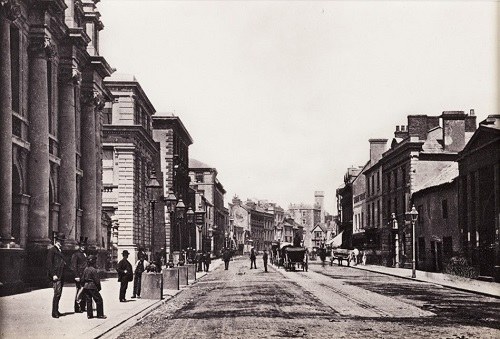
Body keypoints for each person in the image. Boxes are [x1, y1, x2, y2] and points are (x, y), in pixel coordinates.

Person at [47, 232, 67, 318]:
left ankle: (56, 310)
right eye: (60, 241)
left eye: (62, 241)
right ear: (57, 241)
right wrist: (53, 274)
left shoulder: (60, 250)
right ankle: (54, 312)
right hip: (56, 275)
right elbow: (49, 263)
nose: (61, 242)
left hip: (61, 274)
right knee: (57, 293)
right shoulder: (52, 250)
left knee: (59, 293)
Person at [71, 237, 88, 313]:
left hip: (85, 275)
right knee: (79, 291)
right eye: (82, 245)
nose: (83, 246)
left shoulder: (85, 254)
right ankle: (77, 308)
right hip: (80, 276)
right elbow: (73, 266)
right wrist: (76, 276)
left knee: (84, 291)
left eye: (84, 245)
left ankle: (83, 306)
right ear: (79, 246)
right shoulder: (76, 254)